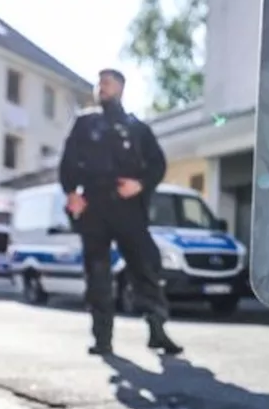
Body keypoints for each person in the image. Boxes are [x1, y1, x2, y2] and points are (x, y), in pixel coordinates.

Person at [59, 68, 180, 357]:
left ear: (122, 88)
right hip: (94, 206)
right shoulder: (85, 124)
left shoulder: (137, 128)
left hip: (128, 208)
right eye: (99, 83)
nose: (102, 87)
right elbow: (69, 161)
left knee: (146, 268)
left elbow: (157, 165)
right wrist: (71, 193)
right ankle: (102, 339)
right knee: (97, 273)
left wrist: (140, 184)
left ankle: (157, 329)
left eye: (108, 83)